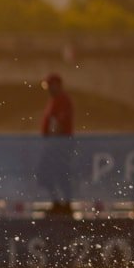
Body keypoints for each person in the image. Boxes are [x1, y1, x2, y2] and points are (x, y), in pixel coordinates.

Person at [37, 72, 75, 216]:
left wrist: (52, 143)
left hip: (59, 145)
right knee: (51, 174)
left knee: (58, 173)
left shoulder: (62, 100)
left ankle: (64, 205)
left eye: (50, 85)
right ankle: (59, 203)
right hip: (55, 144)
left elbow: (58, 123)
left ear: (57, 85)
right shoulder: (55, 100)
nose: (48, 89)